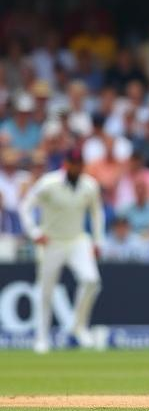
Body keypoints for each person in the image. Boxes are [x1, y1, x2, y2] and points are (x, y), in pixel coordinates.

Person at [19, 148, 104, 354]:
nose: (76, 167)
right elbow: (26, 206)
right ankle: (41, 338)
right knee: (45, 290)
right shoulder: (49, 184)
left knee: (91, 281)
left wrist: (97, 241)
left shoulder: (89, 186)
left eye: (79, 163)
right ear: (66, 164)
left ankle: (78, 327)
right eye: (73, 163)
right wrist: (34, 231)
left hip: (77, 240)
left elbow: (96, 213)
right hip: (52, 242)